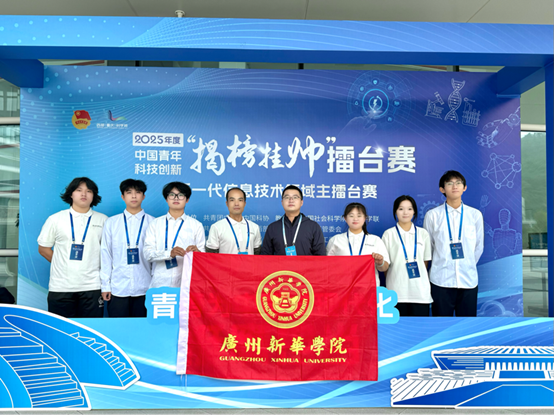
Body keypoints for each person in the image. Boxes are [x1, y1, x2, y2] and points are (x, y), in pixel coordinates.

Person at [37, 177, 107, 318]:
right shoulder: (55, 219)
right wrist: (61, 264)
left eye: (89, 191)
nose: (84, 194)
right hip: (61, 287)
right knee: (60, 328)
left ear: (94, 196)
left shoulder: (104, 220)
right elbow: (43, 248)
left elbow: (108, 253)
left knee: (90, 328)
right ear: (71, 194)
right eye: (79, 190)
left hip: (92, 286)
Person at [423, 170, 484, 317]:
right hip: (440, 281)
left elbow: (479, 246)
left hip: (468, 280)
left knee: (466, 326)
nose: (454, 186)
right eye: (449, 183)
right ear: (442, 189)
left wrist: (467, 264)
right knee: (441, 325)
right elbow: (428, 248)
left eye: (458, 183)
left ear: (465, 187)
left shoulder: (475, 215)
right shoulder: (433, 215)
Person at [100, 179, 154, 318]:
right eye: (129, 192)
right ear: (123, 196)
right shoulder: (112, 223)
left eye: (138, 192)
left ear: (144, 196)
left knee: (143, 328)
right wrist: (105, 286)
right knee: (118, 328)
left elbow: (155, 258)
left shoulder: (153, 223)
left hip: (146, 288)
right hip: (118, 288)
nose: (134, 196)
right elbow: (106, 255)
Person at [143, 182, 205, 288]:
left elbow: (203, 258)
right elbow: (147, 254)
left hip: (186, 283)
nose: (176, 198)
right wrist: (169, 253)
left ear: (187, 199)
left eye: (180, 195)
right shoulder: (155, 224)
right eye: (172, 195)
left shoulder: (196, 225)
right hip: (160, 283)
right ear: (166, 199)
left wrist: (197, 253)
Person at [382, 196, 433, 316]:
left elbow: (425, 262)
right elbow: (385, 266)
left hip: (420, 293)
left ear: (414, 211)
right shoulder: (388, 234)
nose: (405, 212)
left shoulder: (423, 233)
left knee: (419, 327)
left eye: (409, 209)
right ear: (395, 211)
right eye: (401, 209)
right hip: (396, 292)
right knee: (399, 327)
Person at [326, 202, 388, 286]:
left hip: (368, 288)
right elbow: (327, 267)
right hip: (342, 287)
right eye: (351, 216)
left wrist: (380, 262)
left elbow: (384, 268)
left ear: (365, 218)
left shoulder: (375, 240)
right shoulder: (335, 240)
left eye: (359, 216)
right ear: (345, 218)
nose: (355, 219)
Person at [261, 185, 325, 256]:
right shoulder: (272, 228)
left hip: (306, 264)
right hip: (281, 264)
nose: (291, 200)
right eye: (287, 197)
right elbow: (265, 256)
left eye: (295, 197)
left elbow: (321, 256)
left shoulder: (313, 227)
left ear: (301, 202)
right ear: (282, 202)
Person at [205, 187, 262, 255]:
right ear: (227, 203)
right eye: (232, 200)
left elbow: (257, 253)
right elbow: (211, 255)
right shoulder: (217, 227)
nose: (236, 204)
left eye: (240, 200)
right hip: (225, 263)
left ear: (244, 203)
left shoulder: (254, 227)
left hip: (249, 262)